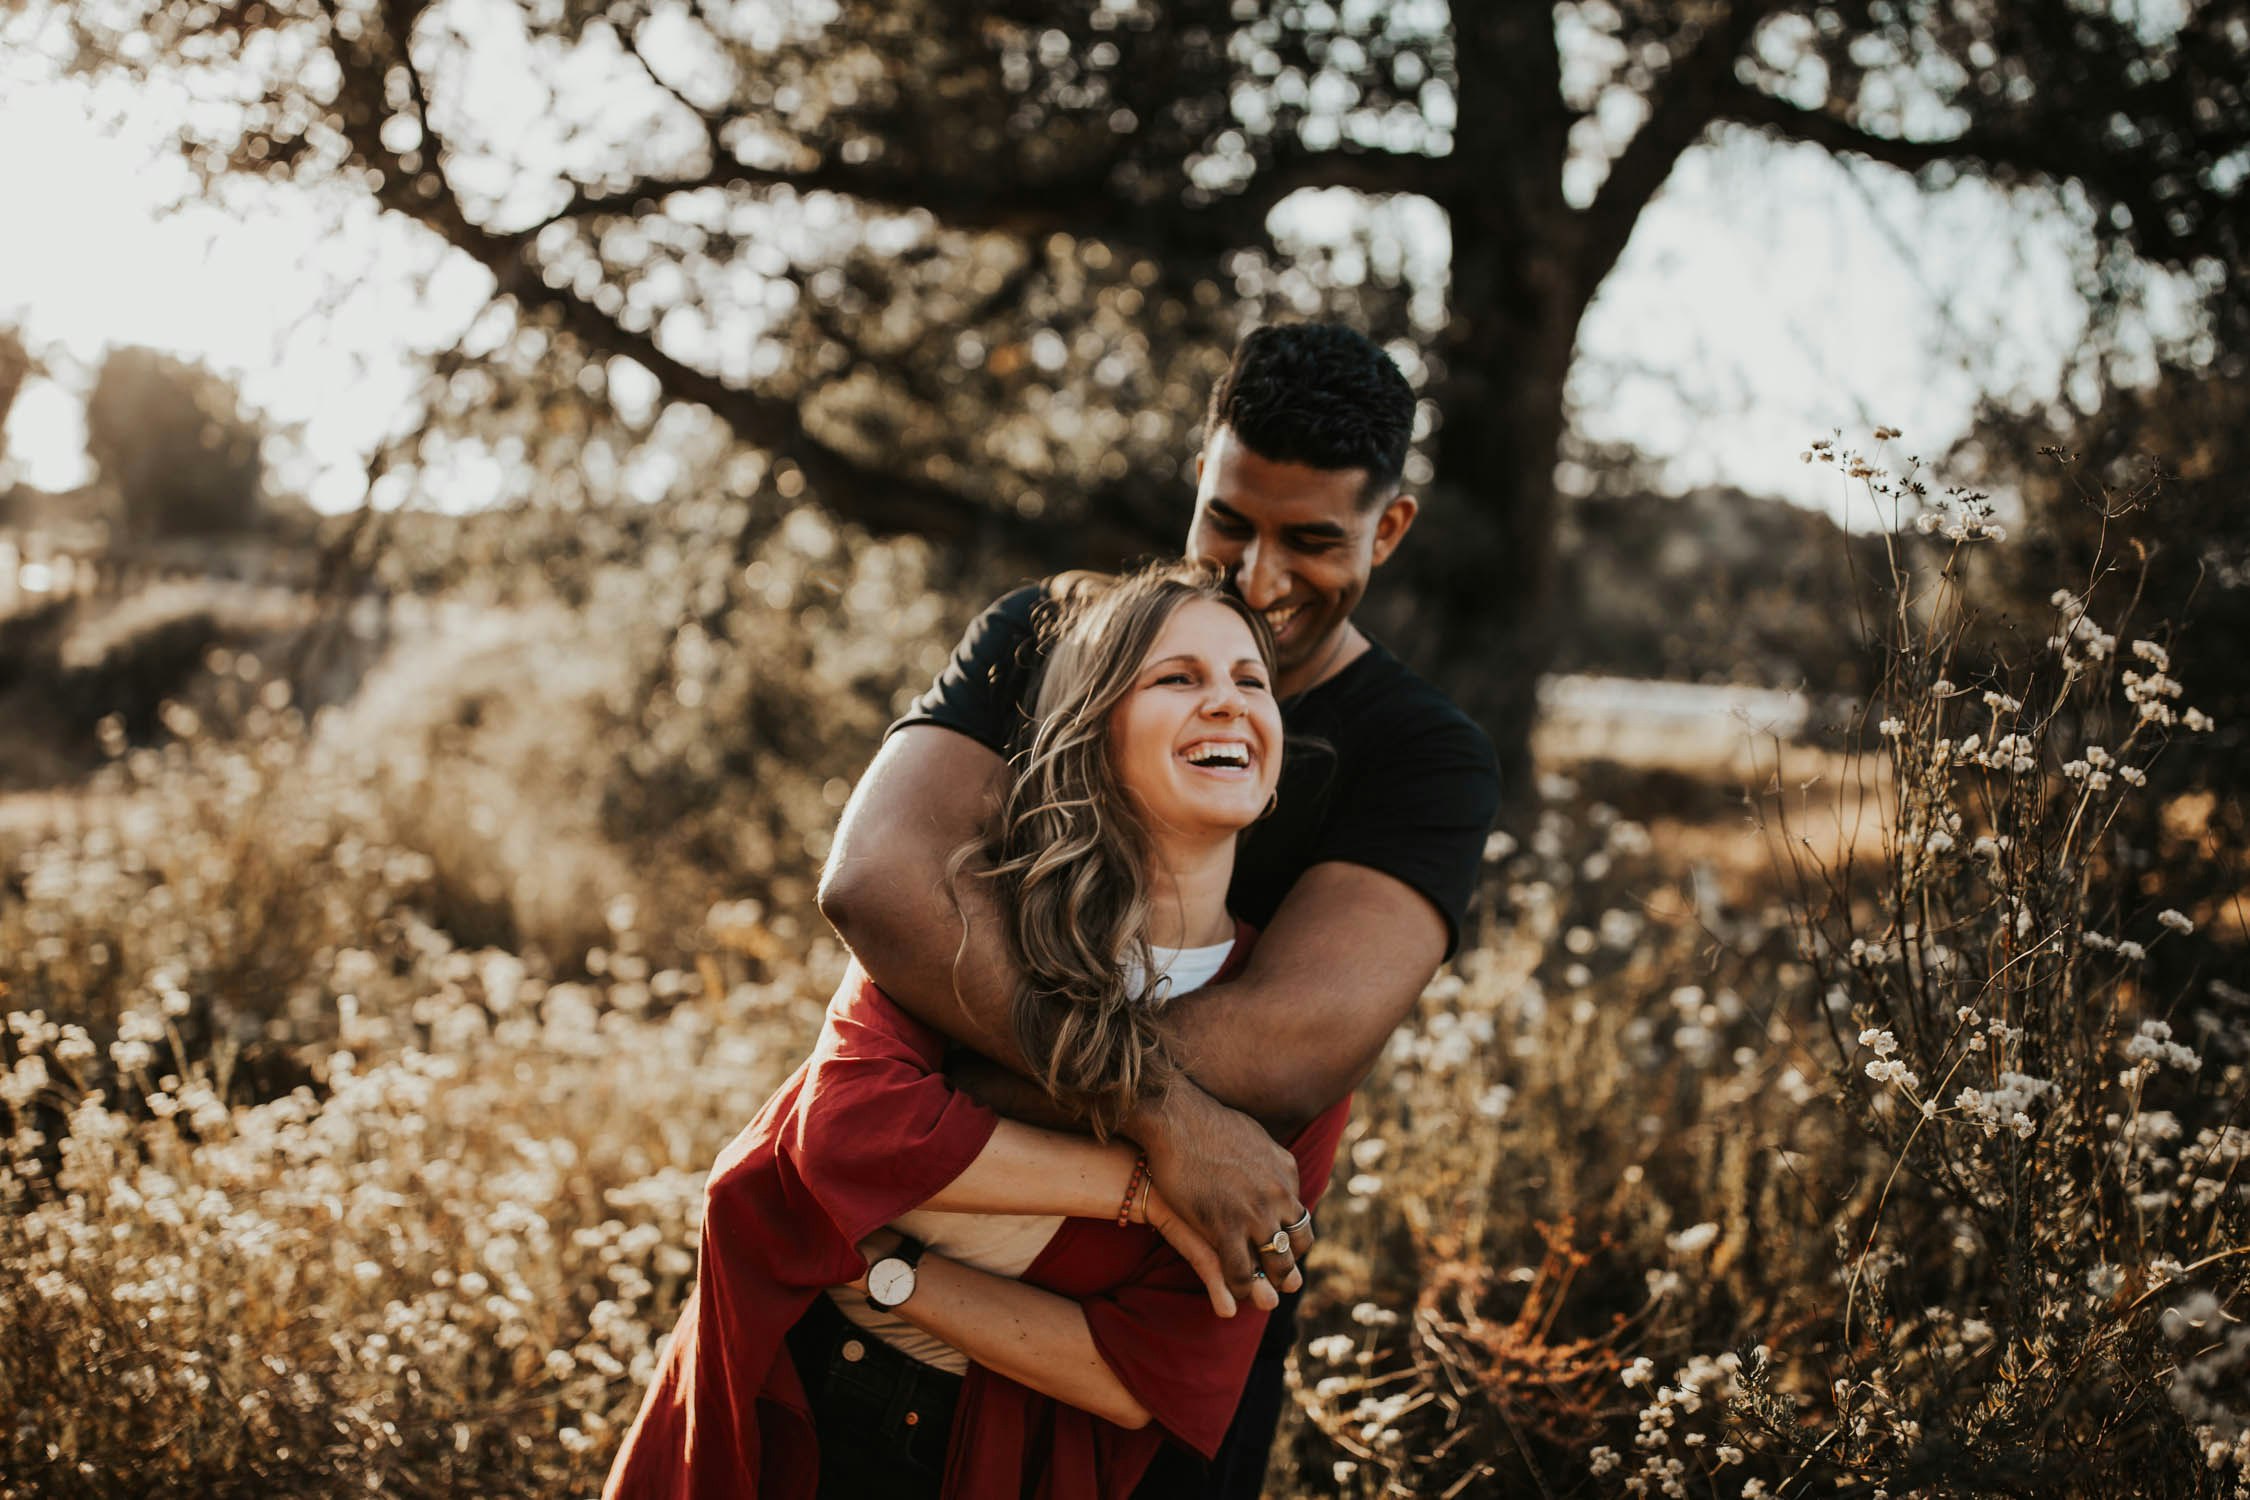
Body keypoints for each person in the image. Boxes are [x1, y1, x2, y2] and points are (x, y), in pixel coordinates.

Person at [818, 322, 1504, 1496]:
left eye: (1313, 540)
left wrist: (950, 1085)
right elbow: (876, 884)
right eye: (1229, 520)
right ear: (1201, 472)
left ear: (1389, 530)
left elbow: (1289, 1051)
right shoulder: (1041, 637)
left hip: (1153, 1340)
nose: (1258, 577)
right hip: (866, 1342)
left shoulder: (1423, 756)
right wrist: (1164, 1117)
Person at [605, 562, 1355, 1499]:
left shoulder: (1294, 1036)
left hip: (995, 1457)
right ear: (1093, 728)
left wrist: (891, 1273)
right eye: (1178, 678)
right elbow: (845, 1132)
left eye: (1250, 681)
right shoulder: (971, 915)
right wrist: (1155, 1189)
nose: (1227, 703)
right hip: (778, 1386)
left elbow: (1151, 1378)